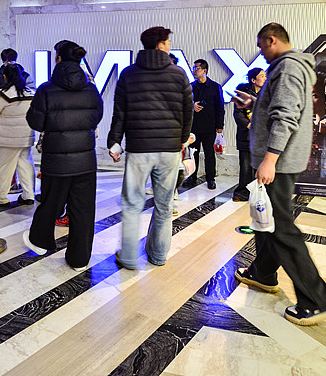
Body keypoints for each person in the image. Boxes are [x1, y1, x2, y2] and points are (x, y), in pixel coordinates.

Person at [233, 22, 326, 326]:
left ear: (271, 39)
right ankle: (263, 273)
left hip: (276, 163)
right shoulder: (288, 67)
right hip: (275, 161)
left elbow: (286, 117)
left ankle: (319, 300)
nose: (260, 52)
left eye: (260, 45)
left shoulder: (288, 67)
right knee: (266, 221)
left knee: (281, 228)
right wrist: (254, 102)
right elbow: (279, 109)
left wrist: (270, 160)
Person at [107, 26, 193, 269]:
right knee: (164, 206)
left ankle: (129, 257)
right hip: (169, 149)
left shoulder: (128, 74)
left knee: (132, 204)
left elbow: (119, 113)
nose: (169, 46)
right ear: (160, 45)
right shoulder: (179, 75)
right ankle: (158, 256)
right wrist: (181, 139)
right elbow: (188, 113)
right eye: (167, 42)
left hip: (139, 149)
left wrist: (114, 142)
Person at [25, 41, 103, 271]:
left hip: (56, 160)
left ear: (58, 59)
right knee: (83, 210)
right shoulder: (90, 89)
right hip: (86, 160)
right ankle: (79, 260)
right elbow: (96, 117)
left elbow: (36, 122)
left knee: (50, 202)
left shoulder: (46, 89)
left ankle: (40, 241)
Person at [0, 64, 36, 206]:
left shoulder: (3, 93)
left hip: (7, 138)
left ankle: (0, 197)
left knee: (3, 166)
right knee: (26, 165)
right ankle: (29, 194)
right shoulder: (30, 92)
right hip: (26, 136)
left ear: (5, 77)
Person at [182, 59, 224, 190]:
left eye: (197, 68)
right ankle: (192, 176)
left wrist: (220, 126)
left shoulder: (215, 87)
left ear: (204, 70)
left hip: (210, 125)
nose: (194, 71)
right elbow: (183, 103)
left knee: (209, 154)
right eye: (194, 68)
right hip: (193, 126)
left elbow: (220, 107)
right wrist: (192, 105)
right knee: (193, 153)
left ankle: (210, 179)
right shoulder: (190, 86)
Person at [232, 67, 266, 201]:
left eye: (265, 76)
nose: (264, 78)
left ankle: (260, 193)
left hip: (262, 137)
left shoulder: (266, 93)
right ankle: (242, 193)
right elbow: (238, 114)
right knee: (245, 166)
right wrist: (249, 125)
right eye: (262, 76)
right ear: (253, 80)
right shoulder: (243, 93)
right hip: (246, 136)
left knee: (261, 166)